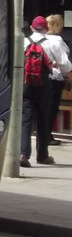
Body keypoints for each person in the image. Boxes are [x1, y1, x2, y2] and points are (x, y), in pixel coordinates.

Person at [22, 15, 72, 167]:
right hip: (45, 86)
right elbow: (67, 66)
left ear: (31, 27)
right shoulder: (53, 43)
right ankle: (42, 155)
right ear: (46, 28)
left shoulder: (23, 41)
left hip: (26, 84)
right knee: (44, 119)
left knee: (25, 119)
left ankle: (23, 154)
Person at [43, 14, 71, 148]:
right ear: (57, 26)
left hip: (41, 77)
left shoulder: (41, 39)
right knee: (52, 109)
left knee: (43, 108)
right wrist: (68, 72)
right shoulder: (58, 40)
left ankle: (44, 135)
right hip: (55, 78)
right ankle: (47, 136)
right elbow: (64, 63)